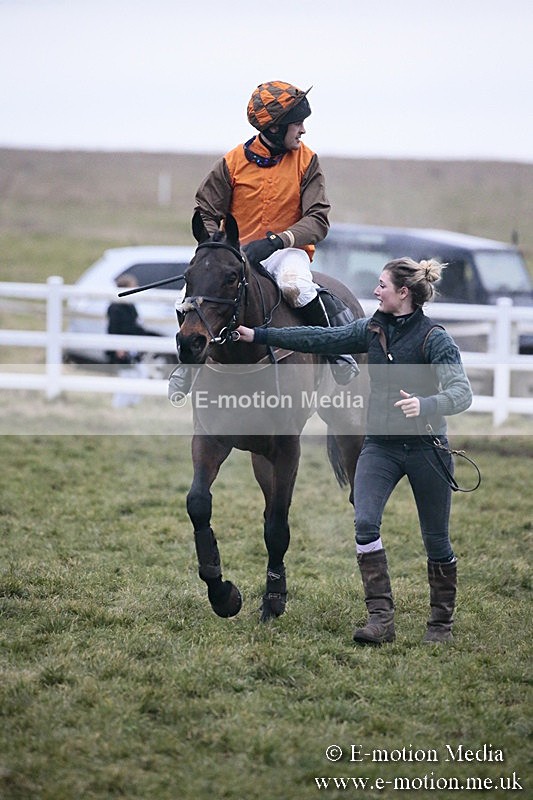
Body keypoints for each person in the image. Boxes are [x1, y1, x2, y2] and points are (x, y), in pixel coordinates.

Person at [236, 258, 473, 645]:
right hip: (379, 447)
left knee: (436, 540)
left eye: (382, 285)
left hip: (426, 448)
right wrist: (259, 335)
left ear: (403, 293)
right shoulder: (371, 330)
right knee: (364, 525)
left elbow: (462, 393)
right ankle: (380, 619)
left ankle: (440, 624)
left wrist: (426, 404)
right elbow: (317, 338)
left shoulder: (435, 339)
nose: (375, 291)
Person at [169, 80, 358, 398]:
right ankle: (188, 369)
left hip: (286, 250)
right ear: (275, 128)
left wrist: (278, 241)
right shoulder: (231, 163)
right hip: (236, 252)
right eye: (298, 123)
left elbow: (318, 219)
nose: (303, 130)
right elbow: (205, 209)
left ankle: (338, 352)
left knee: (295, 285)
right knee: (184, 298)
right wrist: (219, 244)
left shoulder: (307, 161)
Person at [106, 274, 159, 407]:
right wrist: (118, 347)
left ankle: (131, 403)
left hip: (133, 346)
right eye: (133, 286)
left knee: (141, 374)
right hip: (123, 348)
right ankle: (119, 405)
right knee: (126, 377)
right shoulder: (115, 307)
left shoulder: (130, 306)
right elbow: (113, 329)